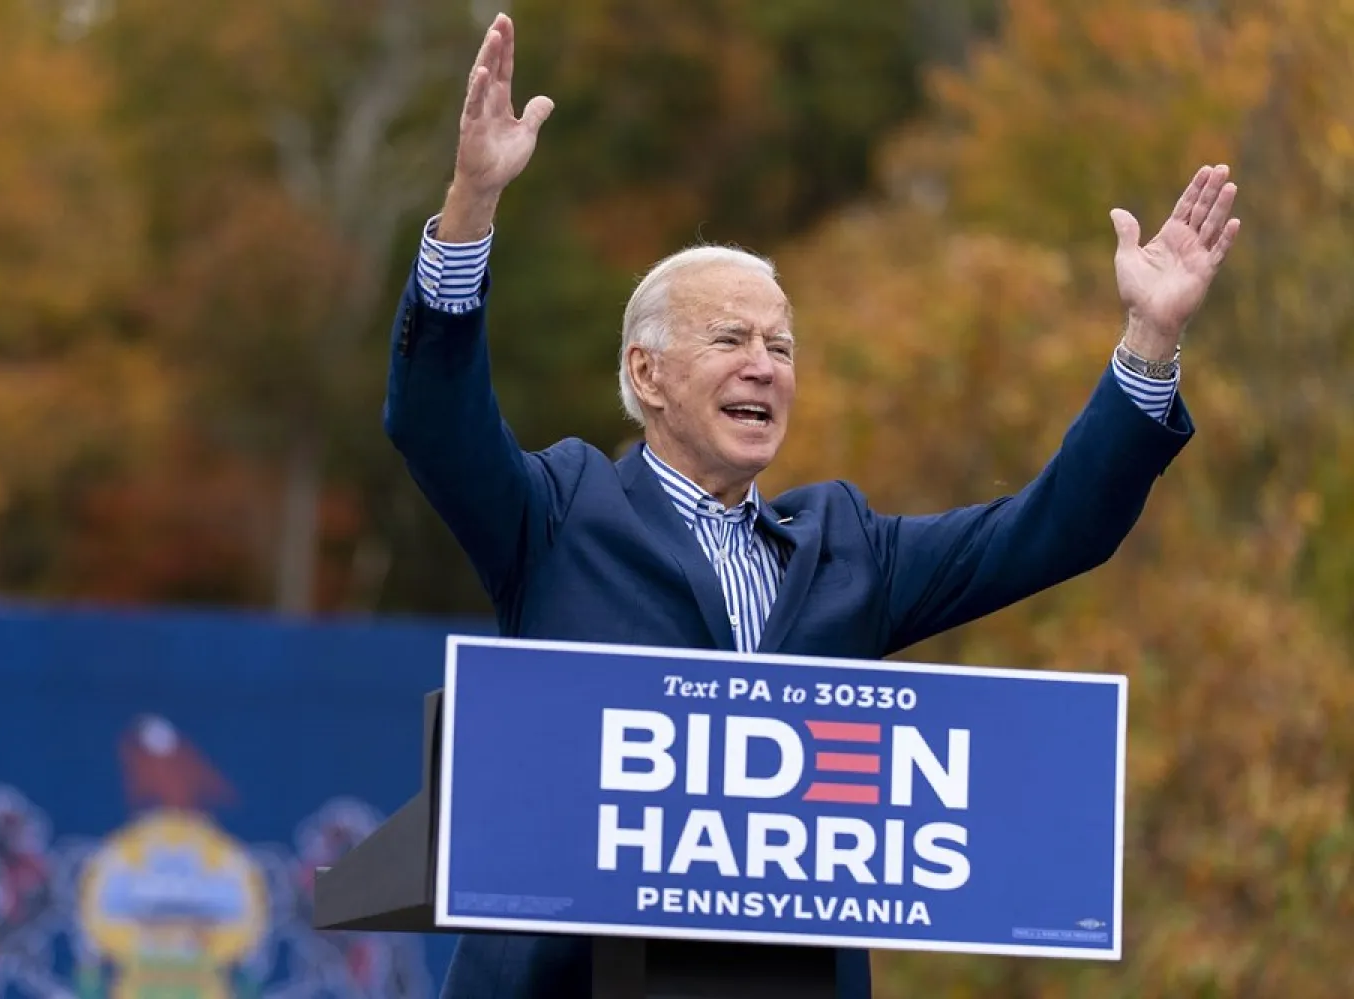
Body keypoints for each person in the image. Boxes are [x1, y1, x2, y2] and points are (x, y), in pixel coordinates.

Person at [383, 13, 1239, 999]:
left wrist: (1148, 343)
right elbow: (434, 420)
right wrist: (472, 202)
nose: (765, 367)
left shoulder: (847, 552)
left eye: (782, 348)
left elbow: (1053, 530)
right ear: (647, 375)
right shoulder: (558, 516)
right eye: (733, 341)